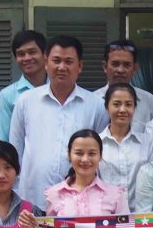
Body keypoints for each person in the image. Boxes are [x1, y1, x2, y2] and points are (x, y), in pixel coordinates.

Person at [9, 35, 107, 207]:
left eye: (69, 61)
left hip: (79, 205)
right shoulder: (25, 101)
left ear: (80, 66)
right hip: (32, 201)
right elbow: (15, 151)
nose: (62, 67)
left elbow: (101, 156)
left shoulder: (96, 105)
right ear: (46, 63)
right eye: (56, 61)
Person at [97, 83, 153, 212]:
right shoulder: (96, 144)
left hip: (142, 218)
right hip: (105, 218)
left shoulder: (147, 143)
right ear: (107, 107)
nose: (122, 110)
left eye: (128, 104)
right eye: (116, 104)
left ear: (134, 107)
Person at [91, 40, 153, 130]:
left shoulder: (149, 102)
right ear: (105, 66)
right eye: (115, 64)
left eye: (127, 65)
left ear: (135, 68)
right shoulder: (92, 102)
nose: (120, 70)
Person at [0, 30, 47, 141]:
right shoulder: (7, 96)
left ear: (45, 55)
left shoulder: (58, 89)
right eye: (21, 54)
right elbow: (3, 141)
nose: (27, 58)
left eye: (32, 52)